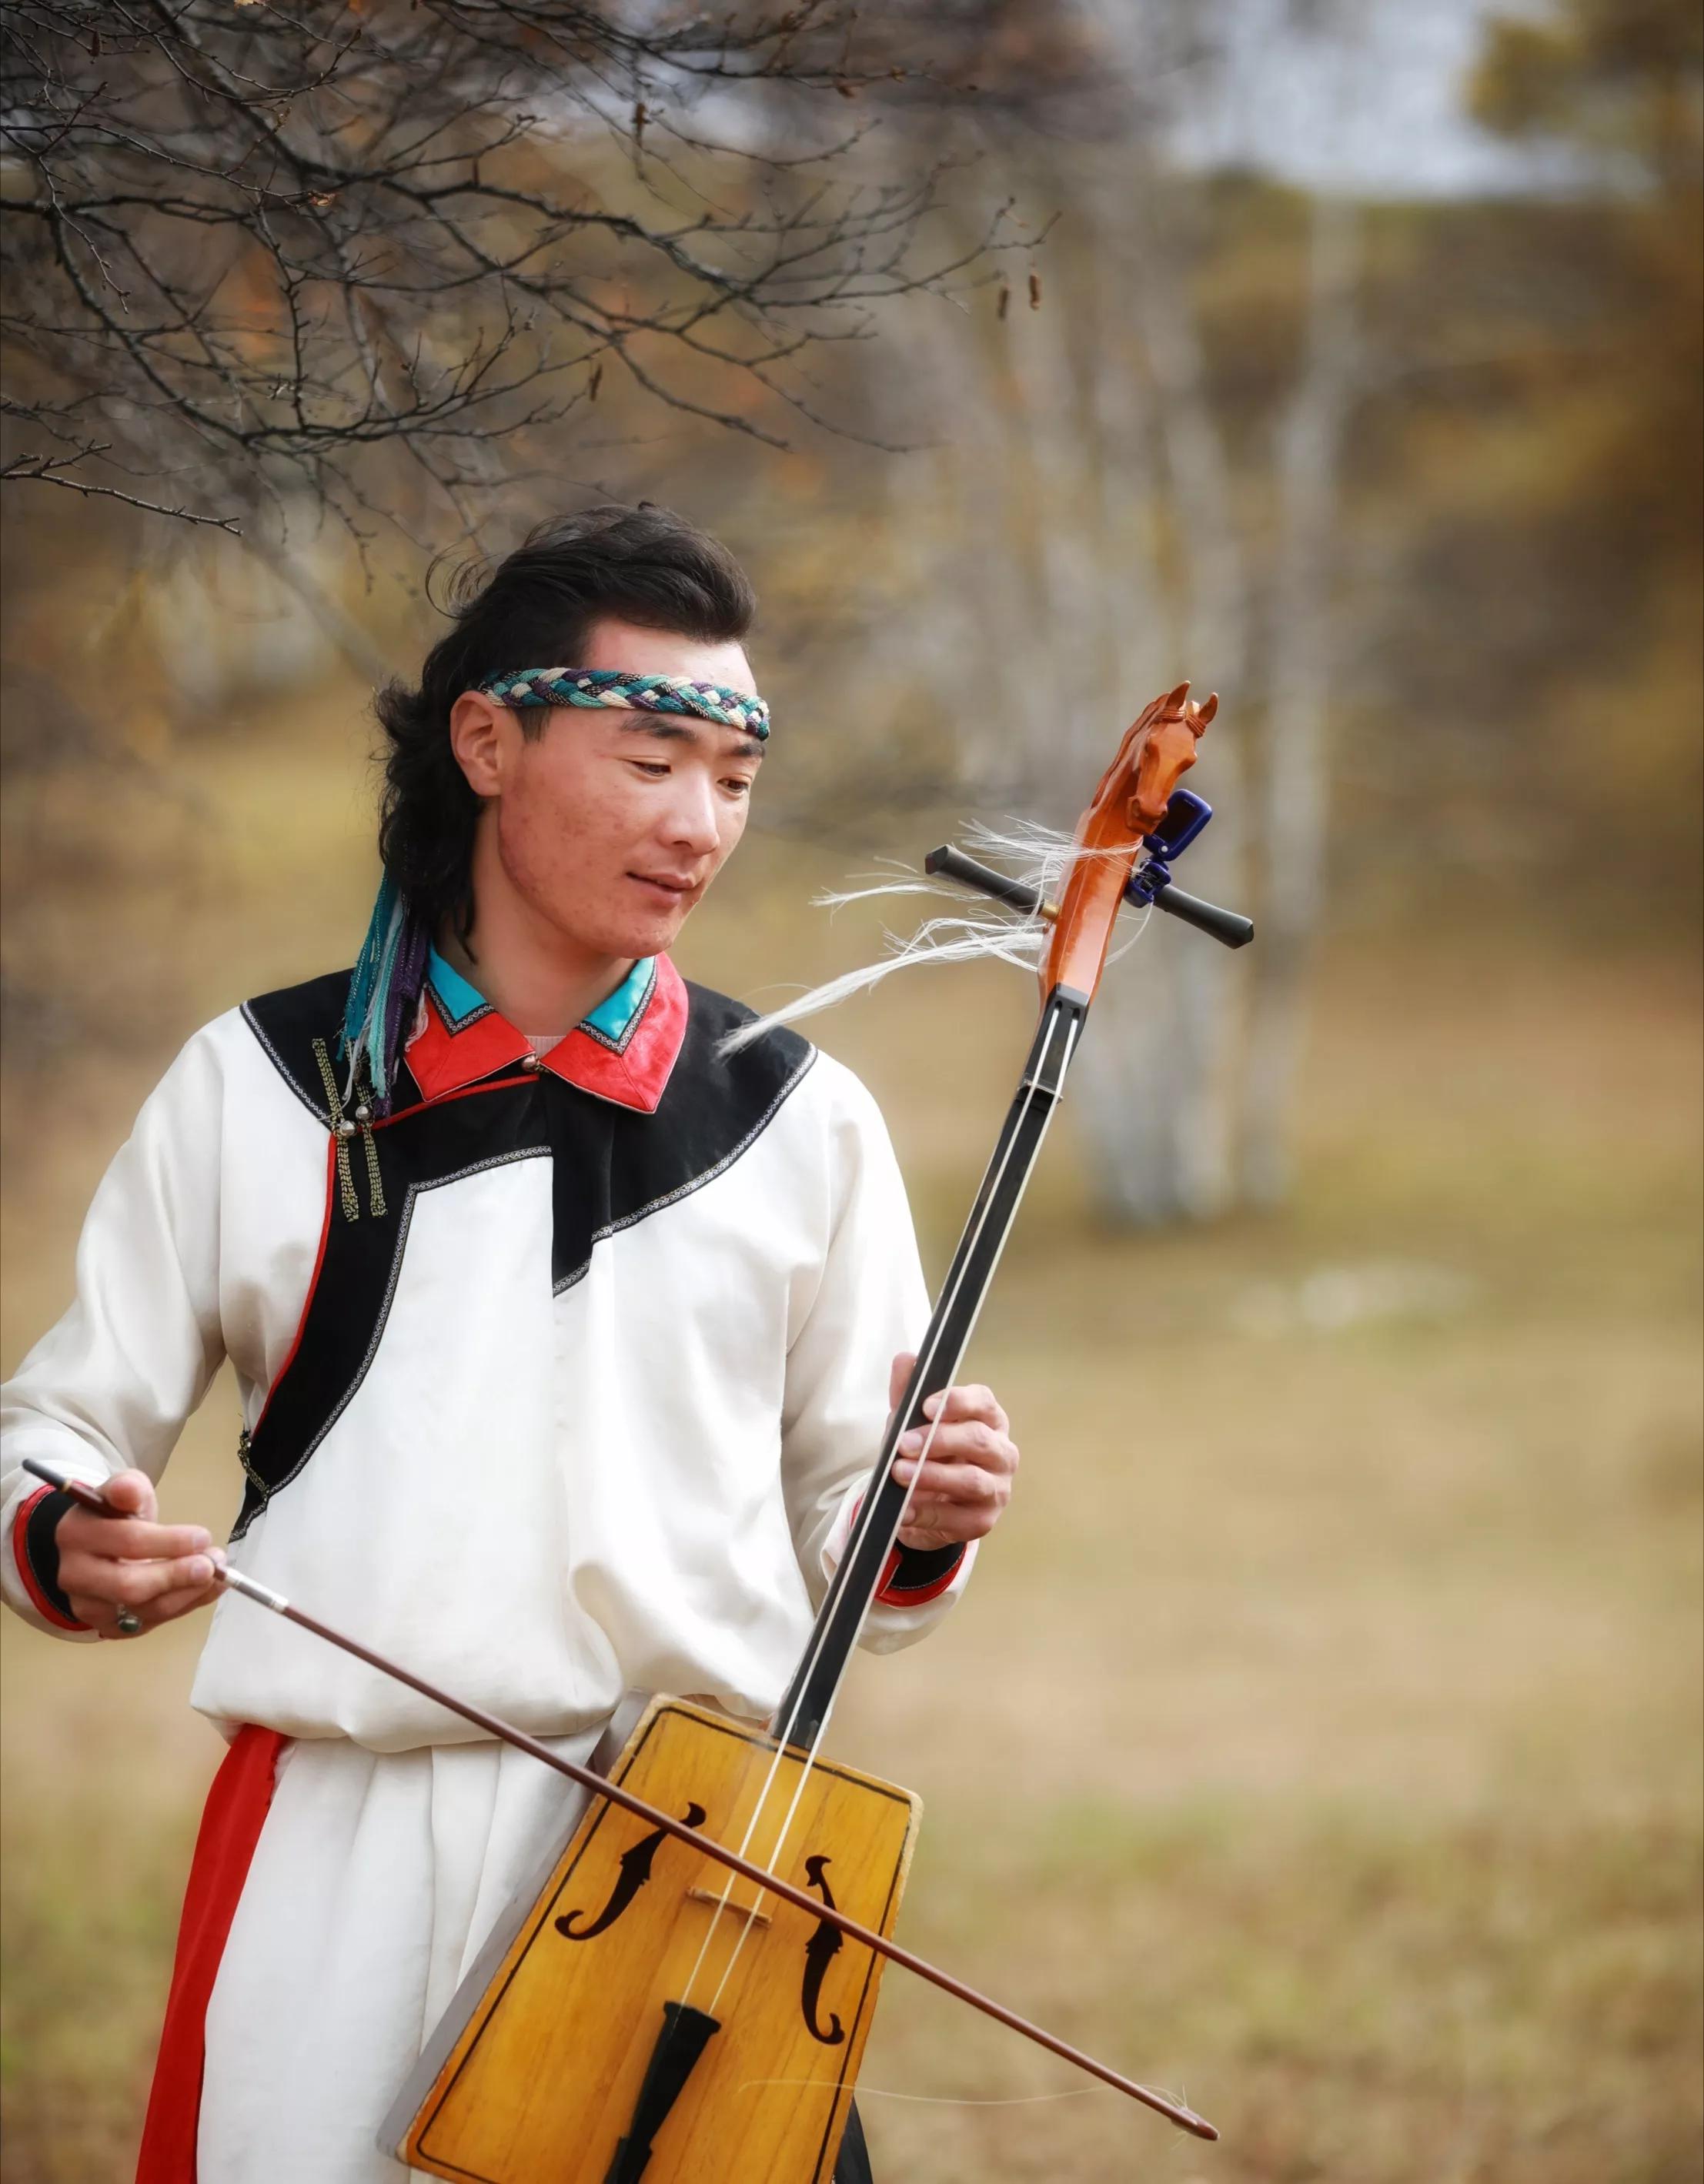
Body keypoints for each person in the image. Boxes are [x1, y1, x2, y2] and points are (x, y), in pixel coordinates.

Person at [0, 505, 1021, 2184]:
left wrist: (921, 1525)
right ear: (488, 738)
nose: (701, 824)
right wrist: (63, 1527)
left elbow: (862, 1530)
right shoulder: (263, 1082)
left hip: (688, 1869)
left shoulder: (797, 1119)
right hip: (329, 1851)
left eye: (735, 781)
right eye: (652, 760)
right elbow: (50, 1420)